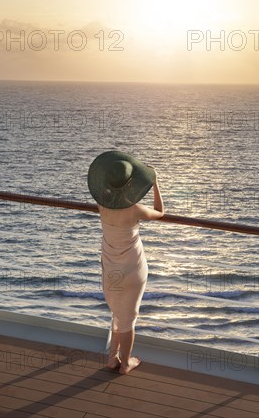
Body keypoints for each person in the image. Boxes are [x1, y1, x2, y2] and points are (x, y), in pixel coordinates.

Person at [87, 151, 164, 374]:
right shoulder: (135, 209)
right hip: (132, 268)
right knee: (128, 318)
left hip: (110, 267)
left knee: (118, 311)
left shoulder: (102, 205)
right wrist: (155, 183)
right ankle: (126, 363)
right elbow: (160, 212)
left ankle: (113, 358)